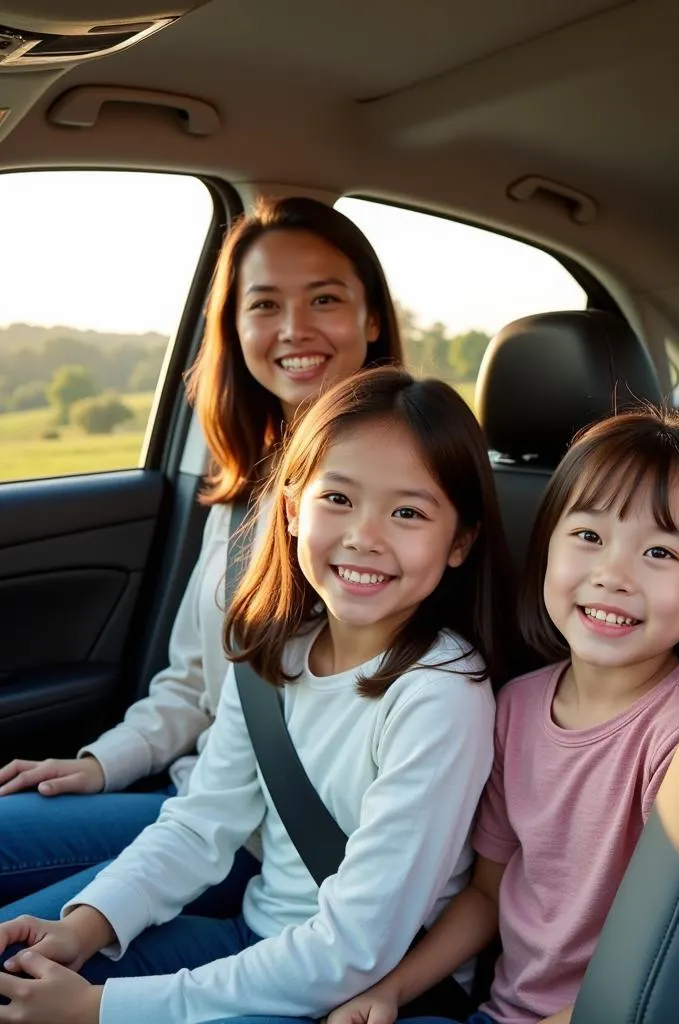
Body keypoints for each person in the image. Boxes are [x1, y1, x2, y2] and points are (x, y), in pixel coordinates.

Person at [0, 367, 516, 1024]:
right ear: (294, 508)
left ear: (460, 542)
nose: (365, 535)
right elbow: (200, 823)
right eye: (339, 499)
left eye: (408, 512)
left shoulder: (439, 697)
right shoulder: (274, 651)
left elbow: (353, 949)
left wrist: (103, 1007)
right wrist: (86, 926)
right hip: (254, 942)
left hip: (354, 992)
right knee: (19, 974)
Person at [0, 196, 403, 913]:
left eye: (325, 299)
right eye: (265, 304)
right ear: (235, 327)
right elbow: (193, 684)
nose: (294, 329)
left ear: (372, 319)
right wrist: (100, 764)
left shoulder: (405, 505)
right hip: (196, 806)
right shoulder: (248, 489)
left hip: (279, 851)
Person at [327, 407, 679, 1024]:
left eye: (659, 551)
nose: (613, 574)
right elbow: (488, 893)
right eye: (589, 537)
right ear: (546, 545)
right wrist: (390, 990)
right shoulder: (515, 707)